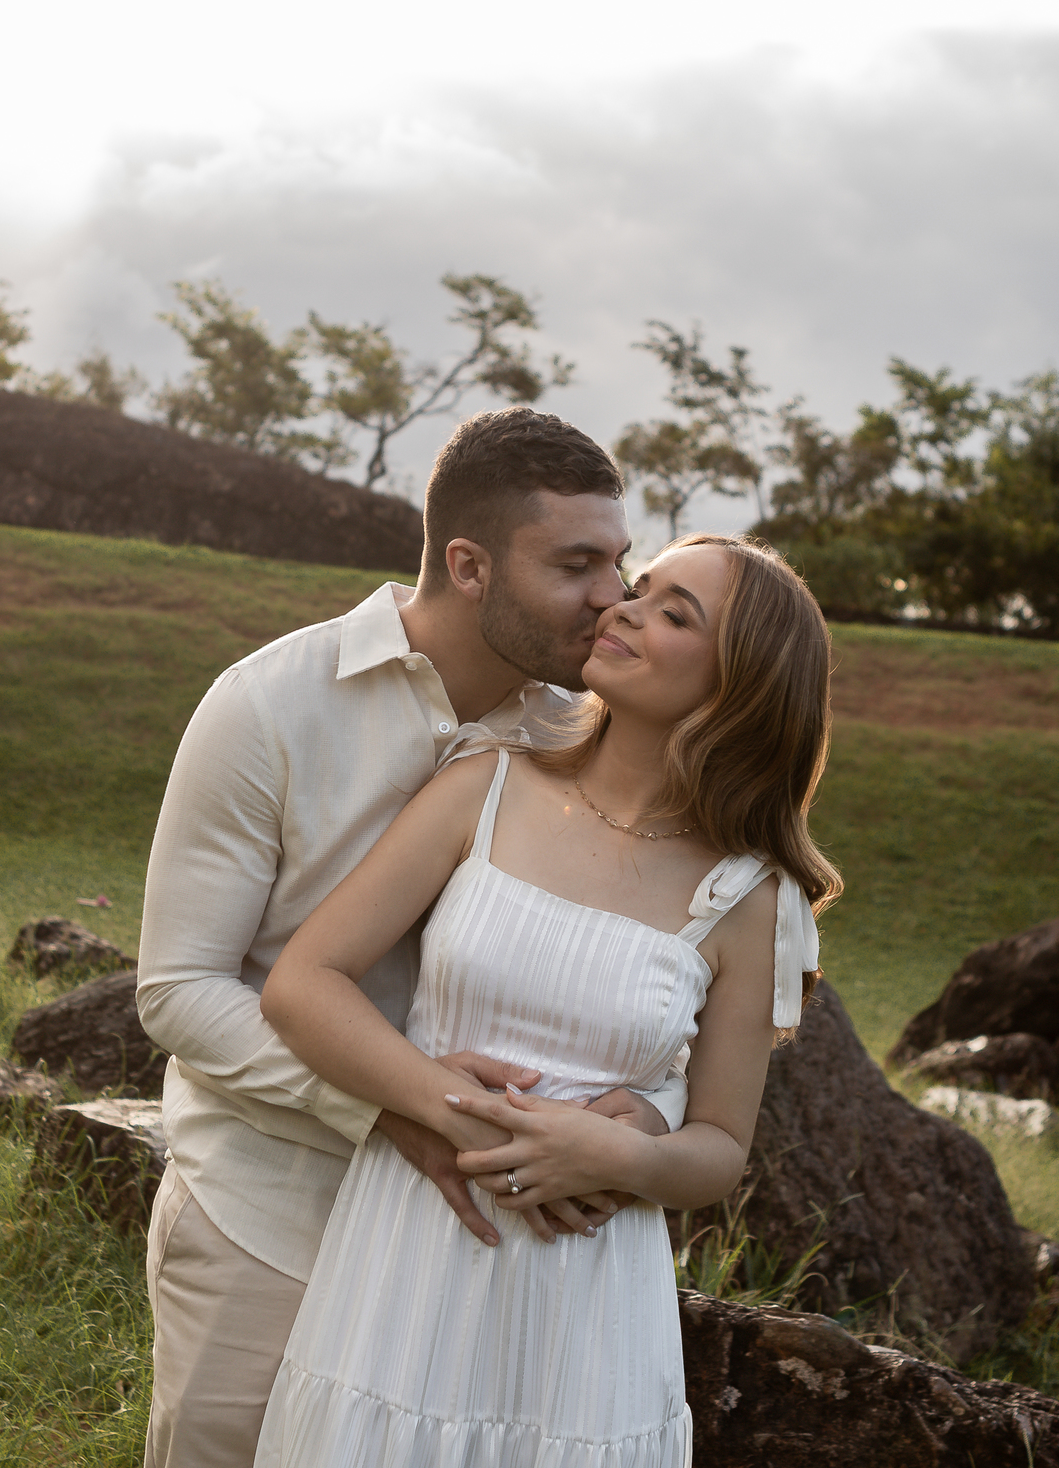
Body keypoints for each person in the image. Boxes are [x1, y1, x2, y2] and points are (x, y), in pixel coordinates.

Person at [136, 408, 690, 1468]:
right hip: (272, 1209)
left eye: (621, 559)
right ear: (470, 565)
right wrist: (391, 1105)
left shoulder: (587, 742)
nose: (614, 596)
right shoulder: (267, 707)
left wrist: (645, 1116)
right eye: (578, 564)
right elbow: (178, 988)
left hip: (479, 1251)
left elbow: (658, 974)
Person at [256, 532, 841, 1467]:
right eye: (640, 588)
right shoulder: (485, 785)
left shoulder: (750, 898)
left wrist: (613, 1149)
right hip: (412, 1249)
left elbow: (720, 1150)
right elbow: (302, 985)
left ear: (743, 684)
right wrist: (454, 1111)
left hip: (587, 1298)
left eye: (674, 612)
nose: (625, 609)